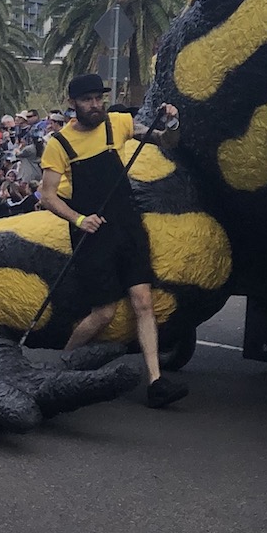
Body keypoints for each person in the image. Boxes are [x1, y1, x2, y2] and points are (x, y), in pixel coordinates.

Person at [43, 75, 188, 407]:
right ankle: (59, 370)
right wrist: (79, 219)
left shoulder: (118, 123)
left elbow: (166, 141)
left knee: (143, 302)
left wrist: (172, 122)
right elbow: (48, 196)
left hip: (128, 226)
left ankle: (156, 382)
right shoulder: (60, 144)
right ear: (72, 104)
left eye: (99, 98)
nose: (95, 105)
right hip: (92, 234)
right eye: (87, 100)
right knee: (104, 313)